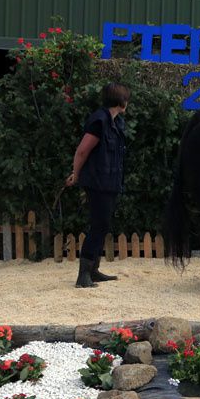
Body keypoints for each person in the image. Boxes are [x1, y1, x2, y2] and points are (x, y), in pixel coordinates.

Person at [65, 83, 130, 288]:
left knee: (103, 225)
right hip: (97, 182)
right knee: (98, 225)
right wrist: (76, 174)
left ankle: (93, 270)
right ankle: (83, 275)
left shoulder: (115, 122)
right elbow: (82, 151)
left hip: (109, 182)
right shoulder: (99, 121)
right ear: (121, 102)